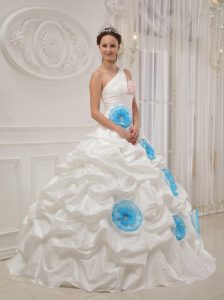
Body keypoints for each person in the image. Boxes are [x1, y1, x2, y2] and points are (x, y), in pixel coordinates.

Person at [7, 26, 216, 293]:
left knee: (149, 192)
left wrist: (136, 126)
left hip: (133, 138)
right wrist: (117, 129)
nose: (109, 50)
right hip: (109, 137)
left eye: (113, 46)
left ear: (119, 48)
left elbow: (134, 105)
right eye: (104, 45)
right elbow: (94, 112)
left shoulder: (127, 74)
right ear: (99, 48)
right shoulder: (97, 76)